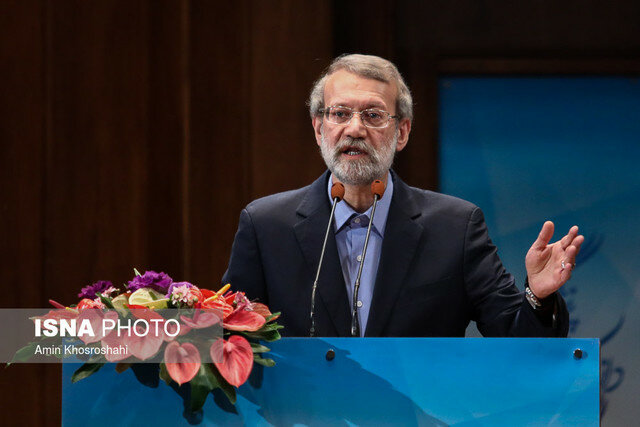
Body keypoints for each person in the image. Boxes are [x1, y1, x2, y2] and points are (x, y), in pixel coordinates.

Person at [223, 54, 583, 337]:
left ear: (403, 132)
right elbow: (228, 339)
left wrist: (538, 296)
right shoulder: (266, 226)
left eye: (373, 115)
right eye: (340, 113)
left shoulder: (455, 228)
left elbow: (518, 339)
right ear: (319, 129)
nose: (355, 128)